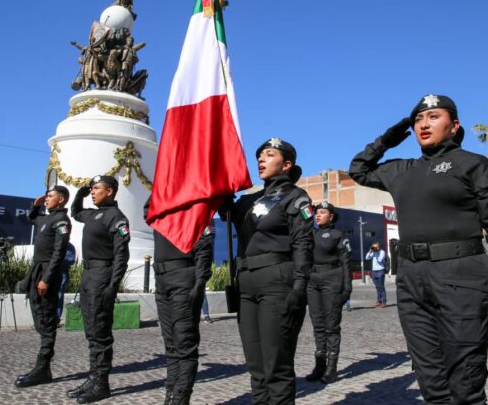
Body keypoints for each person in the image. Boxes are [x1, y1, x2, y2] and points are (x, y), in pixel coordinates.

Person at [349, 94, 488, 404]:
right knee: (431, 382)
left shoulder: (473, 165)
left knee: (465, 381)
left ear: (454, 126)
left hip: (462, 274)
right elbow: (358, 169)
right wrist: (388, 138)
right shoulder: (402, 169)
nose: (424, 124)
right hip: (412, 280)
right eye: (417, 120)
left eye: (434, 117)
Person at [224, 137, 313, 404]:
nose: (261, 159)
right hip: (246, 284)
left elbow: (302, 244)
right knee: (257, 366)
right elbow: (223, 208)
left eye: (269, 154)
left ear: (286, 164)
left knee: (277, 364)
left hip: (277, 281)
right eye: (260, 155)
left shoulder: (295, 197)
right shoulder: (249, 200)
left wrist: (299, 286)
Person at [145, 198, 214, 405]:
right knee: (171, 345)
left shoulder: (194, 212)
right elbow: (147, 209)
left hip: (183, 279)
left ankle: (181, 398)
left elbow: (204, 249)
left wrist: (199, 284)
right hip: (162, 281)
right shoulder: (159, 214)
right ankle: (171, 394)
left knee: (184, 344)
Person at [68, 175, 130, 403]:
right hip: (88, 275)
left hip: (102, 275)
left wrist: (113, 286)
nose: (92, 192)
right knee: (91, 331)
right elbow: (75, 212)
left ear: (110, 191)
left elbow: (122, 254)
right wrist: (80, 193)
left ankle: (102, 383)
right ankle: (93, 377)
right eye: (91, 189)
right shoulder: (93, 214)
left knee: (100, 333)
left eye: (96, 189)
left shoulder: (116, 217)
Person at [15, 186, 72, 388]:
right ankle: (43, 367)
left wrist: (46, 279)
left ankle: (43, 367)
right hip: (36, 269)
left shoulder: (62, 221)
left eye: (50, 196)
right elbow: (31, 218)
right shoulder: (46, 218)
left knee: (46, 318)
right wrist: (35, 204)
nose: (46, 199)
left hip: (48, 271)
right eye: (46, 196)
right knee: (39, 314)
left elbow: (59, 252)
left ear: (61, 199)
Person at [305, 201, 352, 384]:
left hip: (332, 279)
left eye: (322, 212)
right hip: (313, 280)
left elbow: (346, 263)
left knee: (331, 325)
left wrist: (347, 288)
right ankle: (320, 366)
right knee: (317, 324)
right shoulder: (311, 233)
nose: (318, 215)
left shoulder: (338, 235)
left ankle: (332, 368)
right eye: (317, 212)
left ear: (331, 216)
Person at [57, 241, 77, 320]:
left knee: (59, 294)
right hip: (52, 272)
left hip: (63, 273)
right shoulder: (53, 243)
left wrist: (60, 259)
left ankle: (57, 318)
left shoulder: (69, 246)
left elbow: (72, 259)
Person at [365, 241, 387, 308]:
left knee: (381, 287)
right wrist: (370, 252)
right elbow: (367, 258)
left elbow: (380, 260)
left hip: (380, 271)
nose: (375, 248)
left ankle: (384, 302)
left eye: (376, 246)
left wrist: (377, 252)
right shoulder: (373, 252)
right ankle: (378, 301)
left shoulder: (382, 252)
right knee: (377, 287)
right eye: (374, 247)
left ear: (378, 246)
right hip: (374, 272)